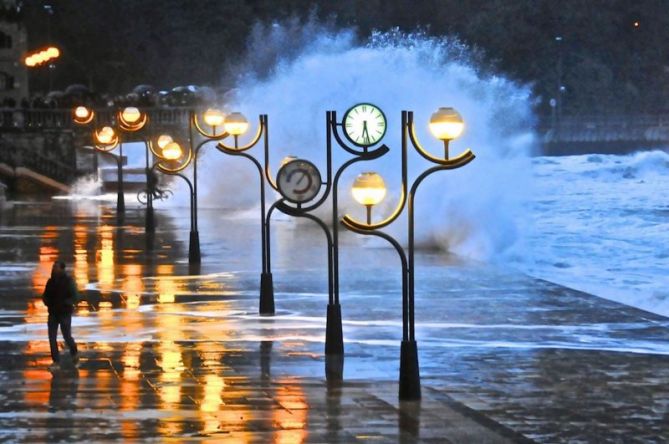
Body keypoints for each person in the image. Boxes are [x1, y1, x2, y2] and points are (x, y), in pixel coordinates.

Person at [41, 261, 79, 369]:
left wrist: (66, 303)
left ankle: (74, 352)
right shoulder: (50, 282)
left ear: (62, 269)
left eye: (56, 267)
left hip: (64, 313)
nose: (54, 269)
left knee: (67, 336)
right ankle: (56, 361)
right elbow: (45, 295)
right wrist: (47, 302)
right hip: (53, 313)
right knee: (52, 338)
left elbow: (76, 296)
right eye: (53, 267)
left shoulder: (69, 281)